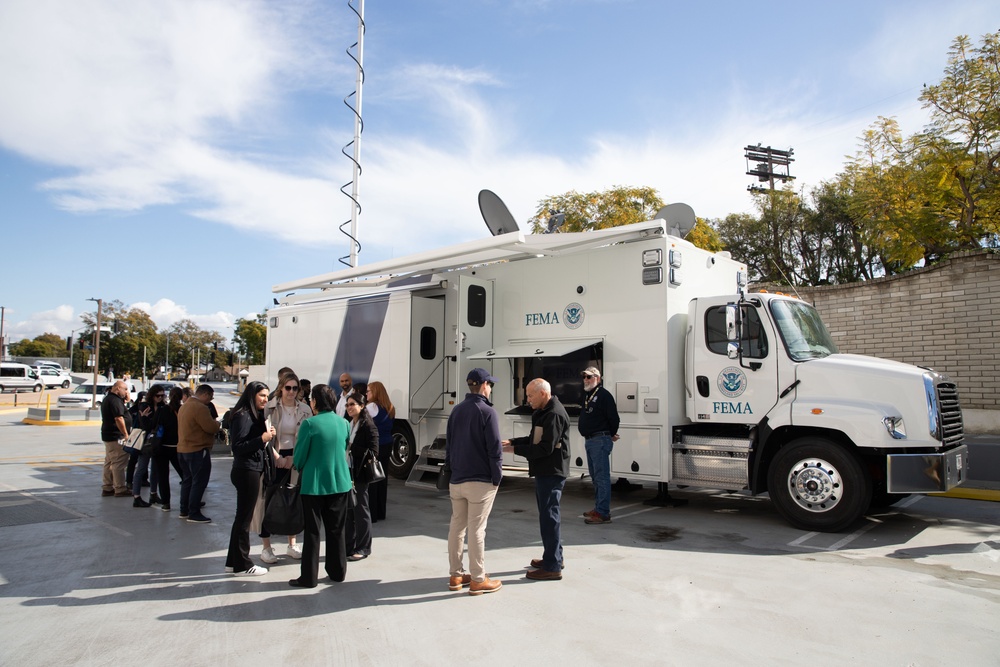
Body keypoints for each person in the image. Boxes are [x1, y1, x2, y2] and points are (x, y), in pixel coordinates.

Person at [502, 378, 570, 581]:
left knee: (549, 518)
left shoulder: (554, 414)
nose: (528, 399)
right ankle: (554, 556)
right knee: (547, 516)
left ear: (543, 394)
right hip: (546, 471)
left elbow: (544, 448)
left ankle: (552, 566)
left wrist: (514, 449)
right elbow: (535, 438)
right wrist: (513, 441)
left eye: (531, 395)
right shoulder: (544, 412)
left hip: (551, 471)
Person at [445, 368, 503, 595]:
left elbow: (449, 446)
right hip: (480, 481)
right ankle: (478, 579)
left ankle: (455, 576)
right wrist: (497, 478)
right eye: (490, 384)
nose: (491, 388)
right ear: (484, 385)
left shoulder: (456, 411)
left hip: (457, 479)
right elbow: (495, 449)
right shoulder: (487, 412)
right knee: (477, 530)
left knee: (456, 528)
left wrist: (452, 471)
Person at [289, 384, 352, 588]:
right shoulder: (344, 423)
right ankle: (337, 572)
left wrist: (297, 465)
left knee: (313, 533)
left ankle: (309, 577)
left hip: (314, 485)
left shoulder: (310, 424)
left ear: (315, 401)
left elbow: (299, 456)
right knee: (337, 530)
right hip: (340, 483)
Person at [225, 381, 283, 576]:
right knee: (244, 519)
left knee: (242, 517)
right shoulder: (242, 415)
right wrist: (262, 439)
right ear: (252, 395)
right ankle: (243, 564)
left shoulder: (254, 415)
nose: (265, 400)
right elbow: (238, 447)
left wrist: (267, 436)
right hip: (246, 471)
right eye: (262, 395)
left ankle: (233, 562)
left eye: (267, 396)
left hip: (251, 469)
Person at [259, 371, 312, 563]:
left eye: (295, 388)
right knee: (270, 500)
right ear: (281, 388)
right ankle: (266, 547)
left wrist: (294, 459)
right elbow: (263, 435)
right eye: (287, 388)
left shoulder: (305, 409)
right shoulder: (270, 408)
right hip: (274, 457)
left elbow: (308, 437)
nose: (291, 391)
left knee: (293, 499)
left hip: (296, 459)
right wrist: (277, 456)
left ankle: (292, 543)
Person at [578, 366, 620, 524]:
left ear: (598, 378)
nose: (586, 380)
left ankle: (603, 513)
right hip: (590, 440)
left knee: (601, 478)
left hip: (599, 440)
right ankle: (598, 508)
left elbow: (614, 418)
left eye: (589, 377)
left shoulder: (604, 395)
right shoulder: (587, 395)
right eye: (584, 377)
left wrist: (609, 434)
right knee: (595, 477)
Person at [177, 384, 220, 523]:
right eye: (211, 397)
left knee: (187, 480)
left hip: (183, 449)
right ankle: (194, 512)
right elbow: (210, 427)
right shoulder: (200, 408)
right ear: (206, 394)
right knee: (199, 481)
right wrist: (217, 424)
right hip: (197, 449)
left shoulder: (184, 406)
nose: (211, 400)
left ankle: (184, 509)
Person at [345, 391, 378, 562]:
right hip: (348, 471)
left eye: (352, 404)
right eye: (347, 404)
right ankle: (348, 546)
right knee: (349, 510)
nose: (349, 407)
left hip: (360, 473)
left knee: (361, 510)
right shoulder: (349, 424)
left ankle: (364, 547)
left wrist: (351, 448)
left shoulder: (368, 426)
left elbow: (374, 451)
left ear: (362, 406)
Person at [150, 386, 185, 512]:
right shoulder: (183, 410)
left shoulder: (162, 410)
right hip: (178, 447)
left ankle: (166, 503)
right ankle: (187, 501)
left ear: (169, 396)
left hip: (162, 447)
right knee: (185, 475)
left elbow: (154, 425)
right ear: (181, 397)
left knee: (163, 476)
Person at [366, 380, 395, 522]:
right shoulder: (390, 407)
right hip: (388, 443)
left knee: (372, 479)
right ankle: (381, 512)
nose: (366, 394)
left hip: (376, 445)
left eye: (368, 391)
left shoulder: (371, 406)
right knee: (382, 479)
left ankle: (373, 513)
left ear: (375, 392)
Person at [100, 380, 133, 497]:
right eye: (125, 389)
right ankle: (120, 488)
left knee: (109, 461)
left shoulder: (109, 399)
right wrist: (125, 434)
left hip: (108, 435)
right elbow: (119, 418)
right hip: (116, 436)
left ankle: (107, 486)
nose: (126, 392)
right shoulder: (114, 401)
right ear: (118, 388)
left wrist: (126, 397)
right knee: (119, 462)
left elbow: (126, 401)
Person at [131, 388, 163, 507]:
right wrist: (145, 418)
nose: (160, 398)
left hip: (157, 442)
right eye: (158, 396)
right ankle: (136, 496)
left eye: (162, 396)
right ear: (152, 396)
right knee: (141, 468)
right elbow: (147, 425)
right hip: (145, 442)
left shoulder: (161, 407)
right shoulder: (145, 406)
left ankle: (153, 494)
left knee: (155, 469)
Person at [125, 390, 147, 487]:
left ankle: (142, 479)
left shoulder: (134, 409)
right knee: (135, 459)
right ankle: (130, 481)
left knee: (142, 459)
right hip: (137, 435)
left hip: (139, 435)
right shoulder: (136, 410)